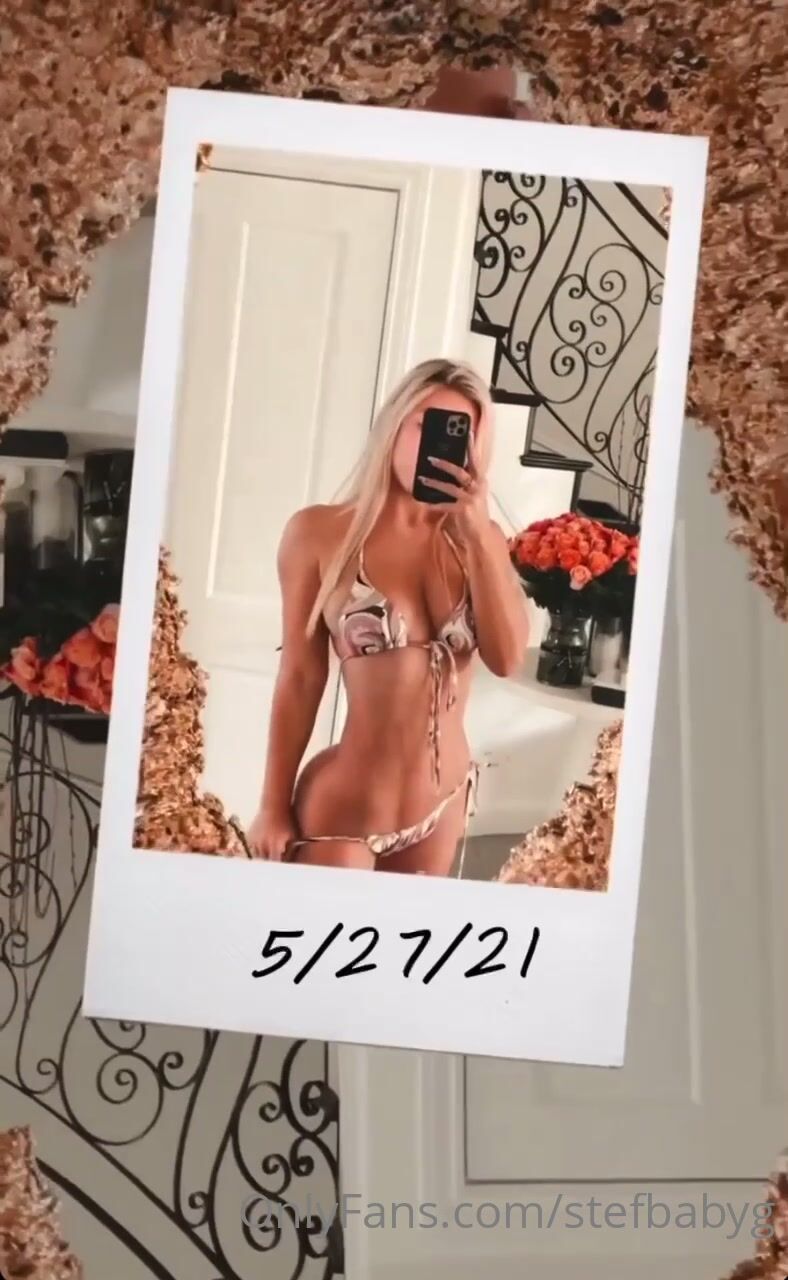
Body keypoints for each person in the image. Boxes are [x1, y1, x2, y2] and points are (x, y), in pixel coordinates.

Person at [246, 359, 529, 876]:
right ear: (393, 426)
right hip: (347, 813)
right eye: (425, 425)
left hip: (443, 807)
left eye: (458, 434)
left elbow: (507, 659)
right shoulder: (318, 534)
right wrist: (272, 805)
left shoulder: (482, 541)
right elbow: (302, 676)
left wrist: (478, 536)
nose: (435, 447)